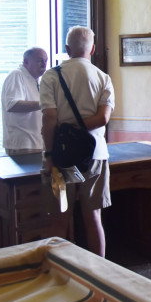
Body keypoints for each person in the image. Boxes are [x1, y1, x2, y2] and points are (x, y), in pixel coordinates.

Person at [40, 26, 114, 258]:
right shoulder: (103, 78)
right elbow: (103, 118)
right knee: (93, 217)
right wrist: (80, 127)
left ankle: (57, 271)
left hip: (61, 156)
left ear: (66, 49)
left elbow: (49, 118)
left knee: (60, 217)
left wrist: (49, 155)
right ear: (92, 49)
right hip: (95, 154)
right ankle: (99, 273)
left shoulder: (51, 76)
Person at [1, 47, 48, 155]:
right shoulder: (16, 75)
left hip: (37, 143)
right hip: (22, 144)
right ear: (26, 61)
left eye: (45, 61)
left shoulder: (37, 80)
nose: (44, 64)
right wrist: (45, 104)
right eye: (39, 60)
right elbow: (12, 105)